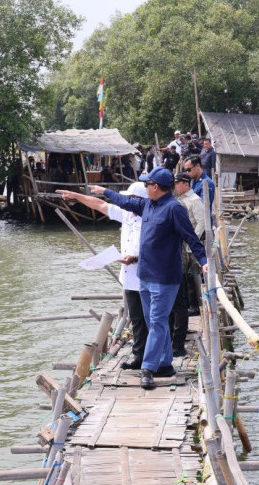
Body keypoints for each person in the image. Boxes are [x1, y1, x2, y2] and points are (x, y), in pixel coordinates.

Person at [89, 167, 208, 390]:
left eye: (146, 184)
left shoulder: (175, 209)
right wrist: (104, 190)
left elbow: (191, 238)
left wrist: (203, 261)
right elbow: (123, 202)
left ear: (155, 187)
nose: (144, 187)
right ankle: (164, 363)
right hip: (144, 275)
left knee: (158, 321)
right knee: (155, 322)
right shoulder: (146, 205)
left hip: (165, 277)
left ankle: (148, 368)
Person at [56, 182, 149, 371]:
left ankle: (153, 358)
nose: (126, 202)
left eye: (130, 198)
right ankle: (140, 355)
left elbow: (159, 248)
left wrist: (135, 258)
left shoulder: (152, 217)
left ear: (139, 200)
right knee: (137, 318)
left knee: (152, 319)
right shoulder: (127, 215)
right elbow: (99, 204)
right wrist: (76, 195)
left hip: (148, 276)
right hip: (130, 277)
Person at [168, 173, 205, 354]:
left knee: (190, 278)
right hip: (182, 244)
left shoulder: (194, 200)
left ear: (185, 184)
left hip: (189, 244)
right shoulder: (179, 200)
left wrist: (192, 242)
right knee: (185, 281)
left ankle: (192, 308)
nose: (175, 187)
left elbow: (201, 223)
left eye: (177, 184)